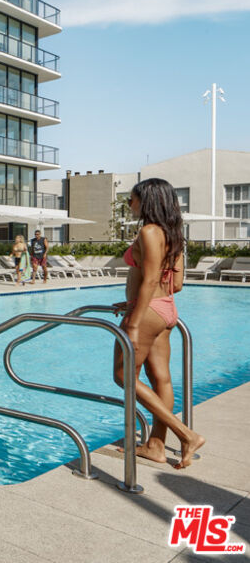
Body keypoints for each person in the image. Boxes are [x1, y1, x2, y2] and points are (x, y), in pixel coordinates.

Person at [112, 178, 204, 468]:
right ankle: (155, 446)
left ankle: (186, 434)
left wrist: (135, 320)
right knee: (160, 379)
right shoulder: (172, 234)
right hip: (165, 310)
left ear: (147, 200)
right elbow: (175, 284)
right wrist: (134, 302)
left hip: (147, 312)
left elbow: (151, 279)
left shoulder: (150, 231)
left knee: (123, 376)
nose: (130, 204)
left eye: (133, 199)